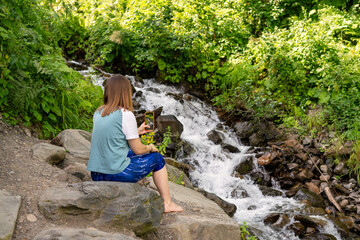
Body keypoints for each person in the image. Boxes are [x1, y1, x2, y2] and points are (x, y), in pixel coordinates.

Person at [87, 74, 183, 213]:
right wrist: (149, 147)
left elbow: (112, 136)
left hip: (96, 174)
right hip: (114, 174)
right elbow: (138, 150)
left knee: (128, 152)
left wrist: (136, 131)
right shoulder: (125, 114)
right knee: (157, 158)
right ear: (125, 92)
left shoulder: (99, 112)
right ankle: (167, 203)